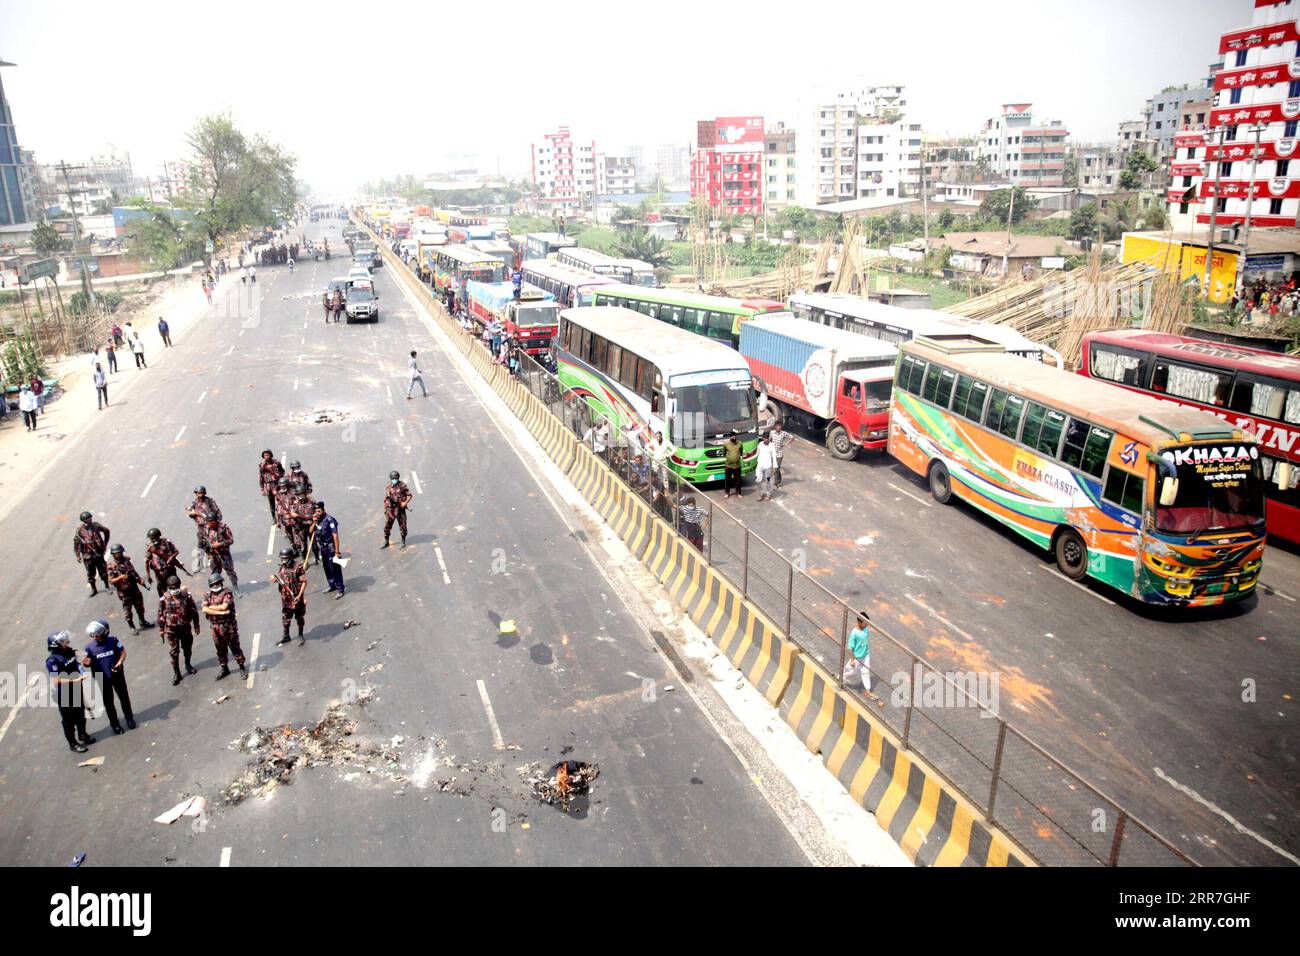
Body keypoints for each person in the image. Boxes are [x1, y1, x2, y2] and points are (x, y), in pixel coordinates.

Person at [83, 620, 135, 734]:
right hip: (102, 679)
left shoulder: (113, 640)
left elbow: (123, 653)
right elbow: (87, 662)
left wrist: (119, 663)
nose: (95, 637)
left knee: (124, 698)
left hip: (117, 675)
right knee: (109, 703)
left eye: (97, 634)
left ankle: (129, 718)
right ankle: (115, 724)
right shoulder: (89, 648)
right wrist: (86, 662)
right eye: (93, 635)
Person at [46, 632, 93, 754]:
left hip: (77, 689)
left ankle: (82, 734)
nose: (67, 643)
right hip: (65, 694)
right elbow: (56, 680)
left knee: (80, 715)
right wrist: (74, 680)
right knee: (69, 720)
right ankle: (73, 743)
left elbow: (76, 664)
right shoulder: (52, 661)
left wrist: (82, 669)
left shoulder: (70, 651)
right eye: (64, 642)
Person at [201, 573, 247, 681]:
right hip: (215, 627)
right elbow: (204, 609)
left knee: (235, 647)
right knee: (220, 649)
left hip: (229, 626)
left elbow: (224, 606)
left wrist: (211, 608)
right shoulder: (207, 595)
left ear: (221, 582)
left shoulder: (227, 593)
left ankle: (242, 667)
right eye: (213, 585)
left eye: (217, 584)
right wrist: (221, 612)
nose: (216, 586)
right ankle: (224, 668)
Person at [157, 576, 200, 685]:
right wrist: (161, 629)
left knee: (187, 648)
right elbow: (160, 615)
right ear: (168, 588)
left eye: (176, 586)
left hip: (185, 627)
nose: (174, 589)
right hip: (172, 630)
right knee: (174, 652)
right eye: (172, 587)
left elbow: (194, 611)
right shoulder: (164, 599)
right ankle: (177, 673)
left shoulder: (187, 596)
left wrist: (196, 625)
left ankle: (188, 664)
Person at [106, 544, 152, 634]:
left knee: (140, 606)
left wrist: (140, 580)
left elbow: (133, 571)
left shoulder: (127, 560)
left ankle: (142, 621)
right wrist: (120, 577)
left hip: (134, 587)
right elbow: (111, 581)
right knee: (128, 610)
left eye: (119, 552)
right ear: (113, 554)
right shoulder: (112, 566)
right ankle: (131, 626)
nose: (118, 554)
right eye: (116, 553)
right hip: (124, 591)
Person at [272, 548, 308, 646]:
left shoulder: (298, 567)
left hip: (296, 598)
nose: (283, 560)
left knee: (299, 617)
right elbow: (280, 577)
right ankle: (286, 635)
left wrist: (299, 596)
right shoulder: (282, 567)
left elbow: (304, 582)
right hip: (286, 598)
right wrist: (275, 579)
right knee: (286, 617)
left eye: (285, 558)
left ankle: (300, 635)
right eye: (282, 558)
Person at [311, 502, 345, 598]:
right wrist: (314, 522)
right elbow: (310, 531)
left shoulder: (330, 520)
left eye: (319, 511)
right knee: (327, 568)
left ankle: (340, 589)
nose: (317, 513)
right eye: (316, 511)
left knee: (335, 568)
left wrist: (337, 552)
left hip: (331, 548)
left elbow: (335, 536)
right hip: (323, 548)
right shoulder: (317, 520)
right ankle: (332, 585)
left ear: (323, 510)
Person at [73, 511, 111, 595]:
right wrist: (78, 555)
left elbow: (106, 531)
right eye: (87, 518)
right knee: (90, 574)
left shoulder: (96, 526)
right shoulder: (79, 531)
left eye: (90, 517)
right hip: (87, 556)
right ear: (83, 520)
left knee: (103, 571)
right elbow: (76, 543)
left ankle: (107, 586)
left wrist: (105, 543)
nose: (90, 519)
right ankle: (94, 589)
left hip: (98, 553)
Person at [186, 485, 222, 570]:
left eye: (201, 493)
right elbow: (192, 514)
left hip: (209, 526)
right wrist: (191, 514)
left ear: (204, 493)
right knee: (201, 545)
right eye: (198, 493)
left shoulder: (209, 501)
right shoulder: (195, 502)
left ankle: (213, 558)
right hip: (200, 527)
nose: (200, 494)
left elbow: (217, 512)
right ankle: (201, 562)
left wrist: (217, 522)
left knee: (212, 543)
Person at [203, 515, 239, 589]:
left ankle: (235, 588)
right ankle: (218, 588)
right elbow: (204, 541)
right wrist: (208, 554)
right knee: (215, 573)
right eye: (208, 522)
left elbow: (230, 540)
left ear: (215, 521)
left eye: (211, 522)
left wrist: (219, 544)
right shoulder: (207, 529)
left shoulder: (223, 528)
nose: (209, 524)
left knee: (230, 572)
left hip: (224, 555)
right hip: (213, 555)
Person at [382, 470, 412, 548]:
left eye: (395, 478)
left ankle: (403, 540)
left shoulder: (402, 486)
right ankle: (386, 541)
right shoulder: (389, 486)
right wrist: (385, 509)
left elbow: (410, 495)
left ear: (398, 478)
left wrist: (405, 503)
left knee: (403, 526)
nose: (394, 480)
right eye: (392, 478)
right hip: (390, 510)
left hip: (399, 509)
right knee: (387, 526)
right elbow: (386, 498)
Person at [844, 612, 872, 693]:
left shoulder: (866, 629)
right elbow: (851, 648)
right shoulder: (854, 633)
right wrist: (852, 660)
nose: (866, 624)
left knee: (866, 672)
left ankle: (868, 690)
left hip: (866, 655)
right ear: (859, 622)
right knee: (852, 672)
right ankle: (840, 678)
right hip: (857, 657)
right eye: (865, 623)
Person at [258, 449, 284, 524]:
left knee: (281, 503)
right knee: (272, 504)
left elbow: (282, 472)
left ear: (271, 455)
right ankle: (274, 518)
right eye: (265, 455)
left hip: (277, 486)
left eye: (267, 455)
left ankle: (282, 518)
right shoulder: (262, 465)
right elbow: (261, 477)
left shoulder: (277, 463)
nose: (266, 457)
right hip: (269, 487)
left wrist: (282, 482)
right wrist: (262, 489)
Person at [770, 421, 792, 489]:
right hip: (773, 453)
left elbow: (792, 438)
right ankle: (779, 480)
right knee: (777, 469)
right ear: (775, 427)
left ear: (781, 427)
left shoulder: (784, 433)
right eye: (777, 427)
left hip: (780, 454)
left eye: (779, 427)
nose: (778, 428)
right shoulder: (772, 432)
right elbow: (770, 440)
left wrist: (785, 444)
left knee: (776, 468)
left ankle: (776, 483)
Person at [722, 430, 743, 498]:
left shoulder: (740, 443)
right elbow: (724, 453)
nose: (734, 437)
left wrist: (736, 457)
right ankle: (727, 493)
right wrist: (729, 458)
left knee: (738, 480)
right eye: (732, 436)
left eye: (735, 436)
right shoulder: (726, 444)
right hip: (728, 466)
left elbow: (741, 452)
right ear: (730, 437)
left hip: (737, 465)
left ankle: (738, 493)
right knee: (727, 480)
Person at [755, 432, 776, 501]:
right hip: (760, 465)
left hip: (768, 466)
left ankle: (768, 494)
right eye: (764, 438)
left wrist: (774, 467)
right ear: (763, 438)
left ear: (769, 438)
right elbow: (757, 453)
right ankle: (761, 495)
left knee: (767, 481)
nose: (766, 440)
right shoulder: (760, 444)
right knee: (758, 480)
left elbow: (774, 456)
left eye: (767, 438)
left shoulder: (772, 446)